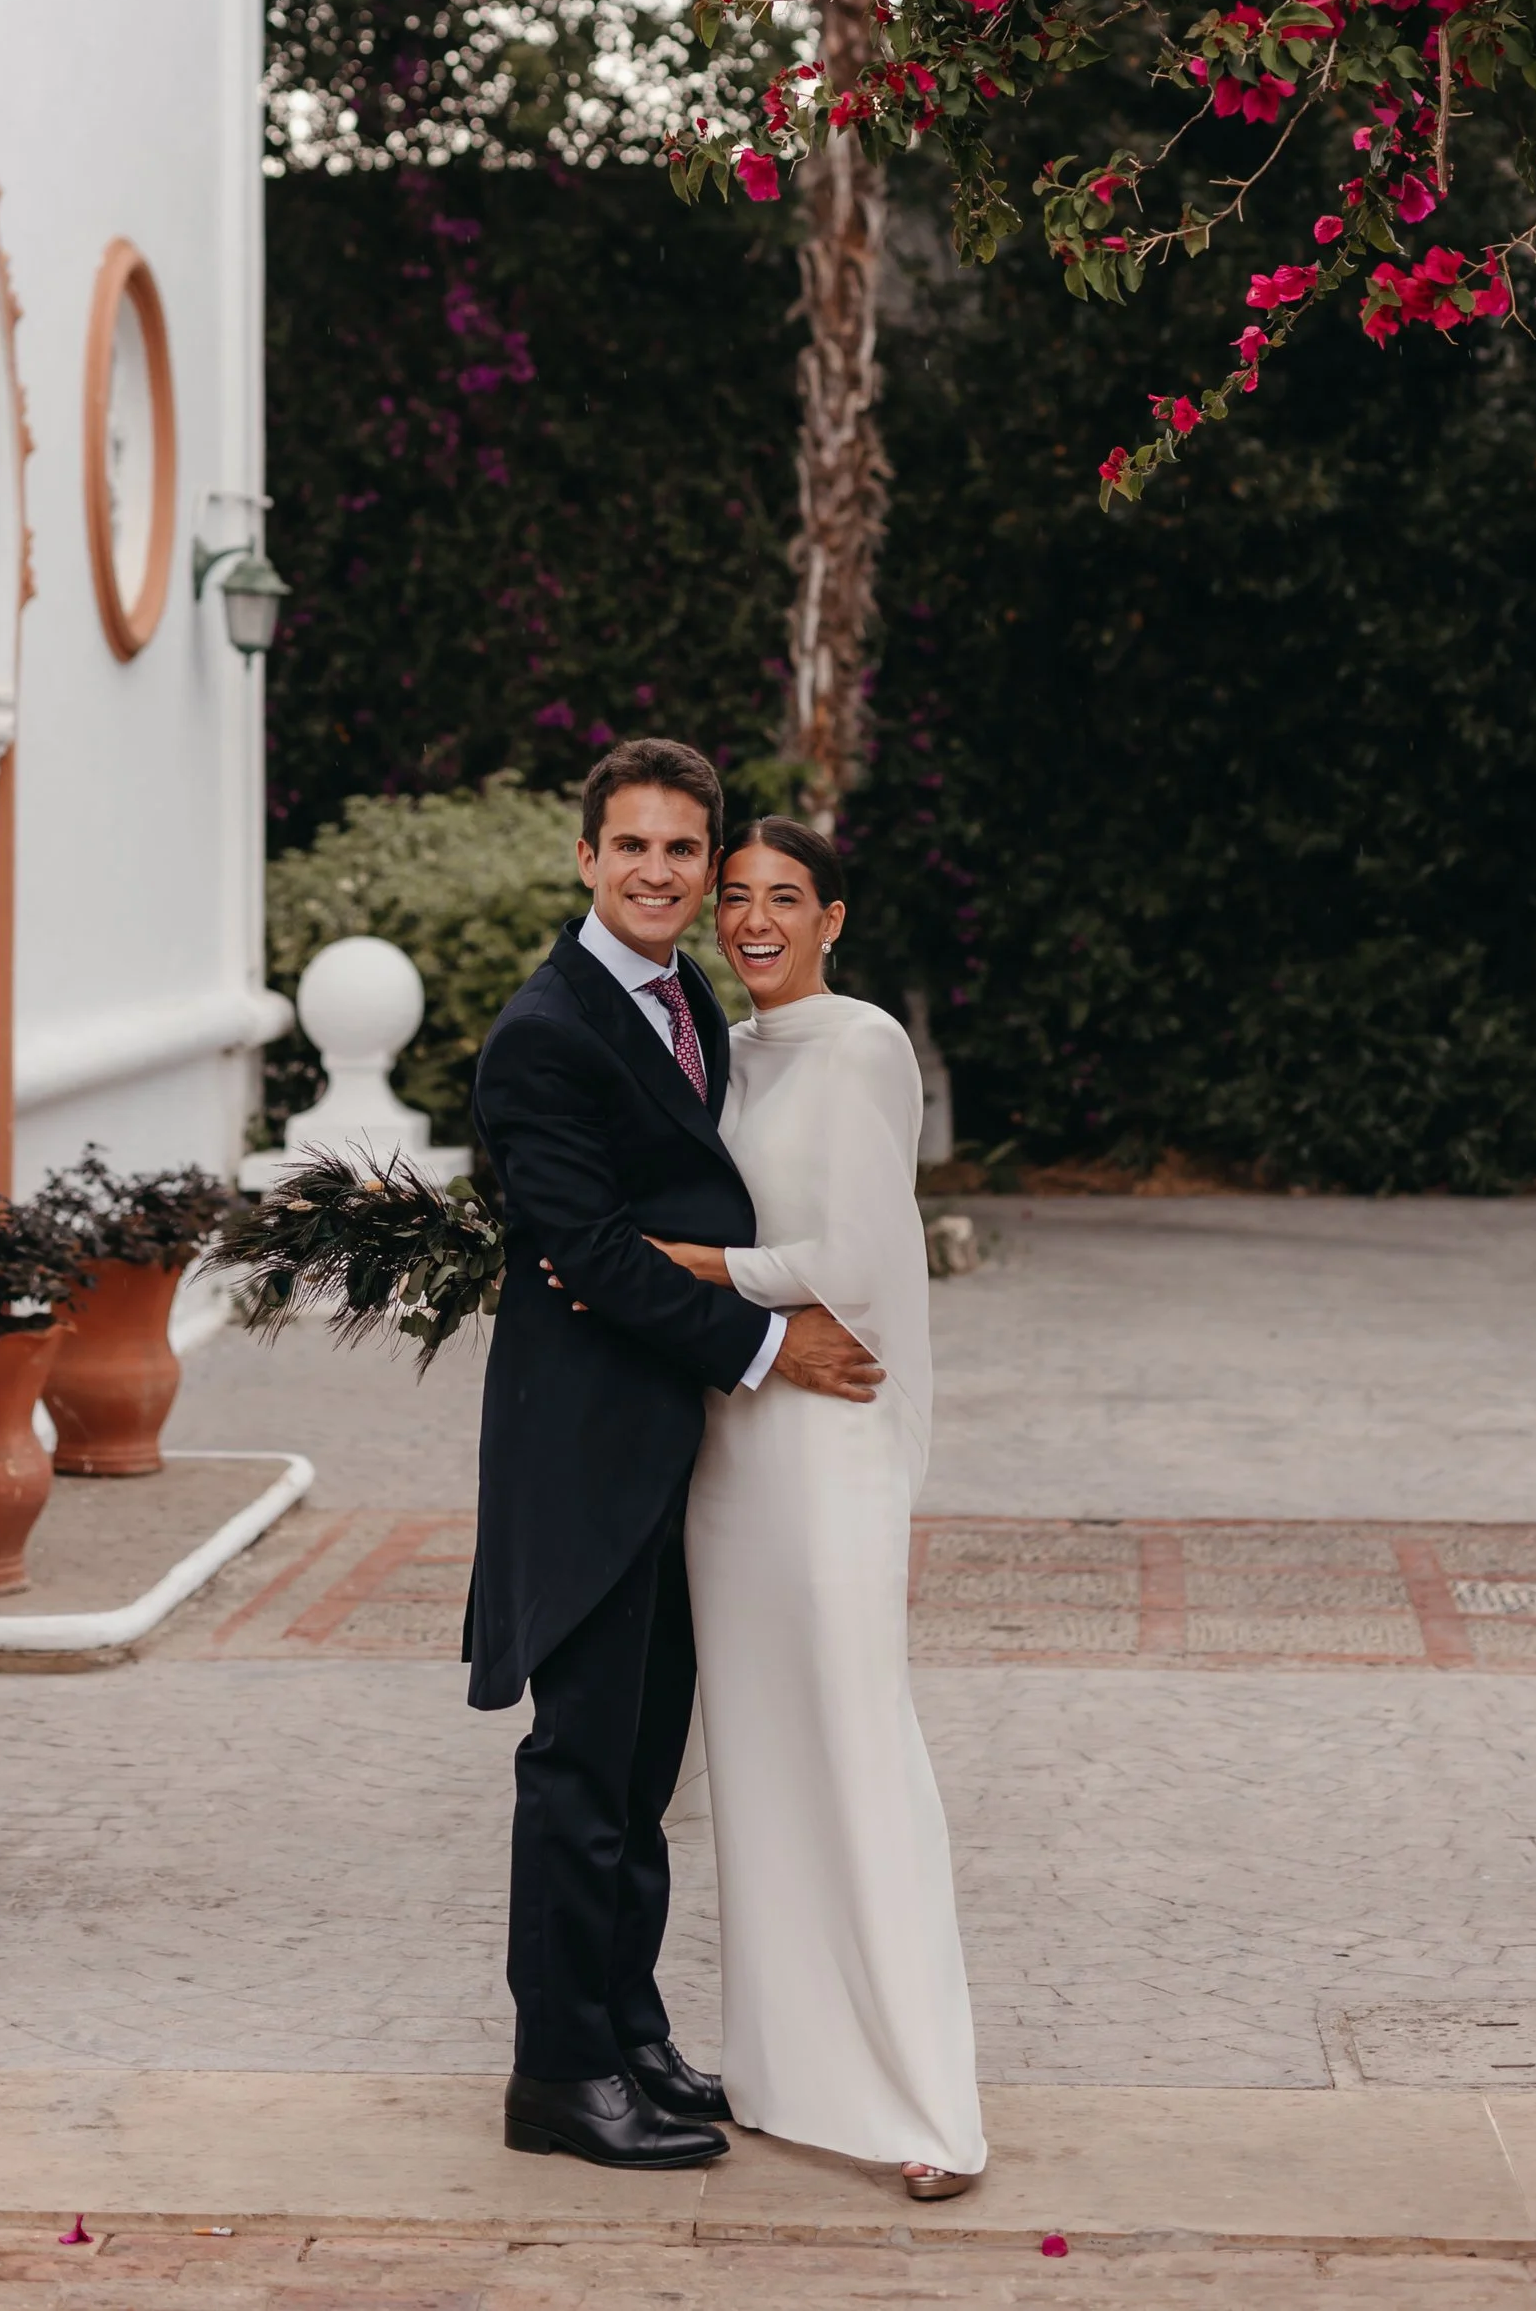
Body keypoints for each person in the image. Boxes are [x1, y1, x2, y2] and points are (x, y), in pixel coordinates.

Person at [465, 738, 886, 2173]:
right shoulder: (546, 1029)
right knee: (578, 1772)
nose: (658, 871)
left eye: (681, 851)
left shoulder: (683, 993)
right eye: (631, 845)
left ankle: (629, 2028)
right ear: (585, 856)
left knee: (641, 1777)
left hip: (665, 1449)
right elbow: (582, 1251)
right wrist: (773, 1347)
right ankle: (559, 2075)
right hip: (584, 1451)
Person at [653, 814, 986, 2200]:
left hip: (832, 1439)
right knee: (764, 1761)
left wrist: (684, 1264)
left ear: (834, 917)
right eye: (736, 896)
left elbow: (850, 1254)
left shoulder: (859, 1041)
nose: (753, 918)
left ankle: (925, 2101)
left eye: (785, 897)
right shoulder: (725, 1052)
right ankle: (788, 2071)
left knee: (858, 1742)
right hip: (735, 1453)